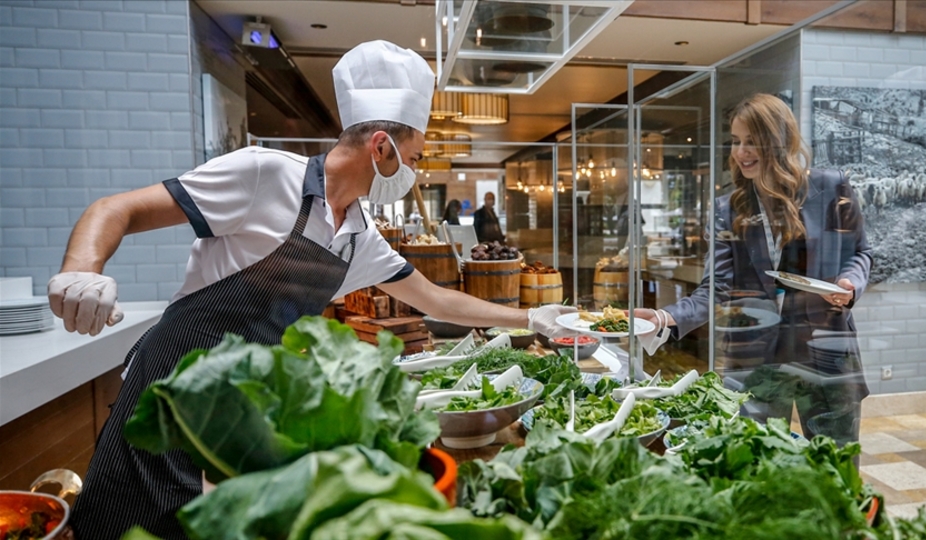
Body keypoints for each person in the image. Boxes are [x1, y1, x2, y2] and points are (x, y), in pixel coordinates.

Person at [46, 40, 574, 540]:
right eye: (413, 157)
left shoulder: (358, 238)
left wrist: (532, 319)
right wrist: (81, 270)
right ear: (381, 147)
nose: (415, 170)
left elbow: (437, 299)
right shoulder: (264, 173)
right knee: (122, 522)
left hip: (245, 409)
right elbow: (114, 209)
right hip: (172, 393)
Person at [634, 94, 872, 446]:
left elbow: (861, 252)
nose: (740, 152)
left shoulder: (831, 186)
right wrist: (663, 318)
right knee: (760, 464)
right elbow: (715, 287)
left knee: (835, 470)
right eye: (735, 141)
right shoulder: (727, 209)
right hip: (756, 359)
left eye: (751, 141)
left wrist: (850, 282)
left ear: (779, 141)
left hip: (826, 354)